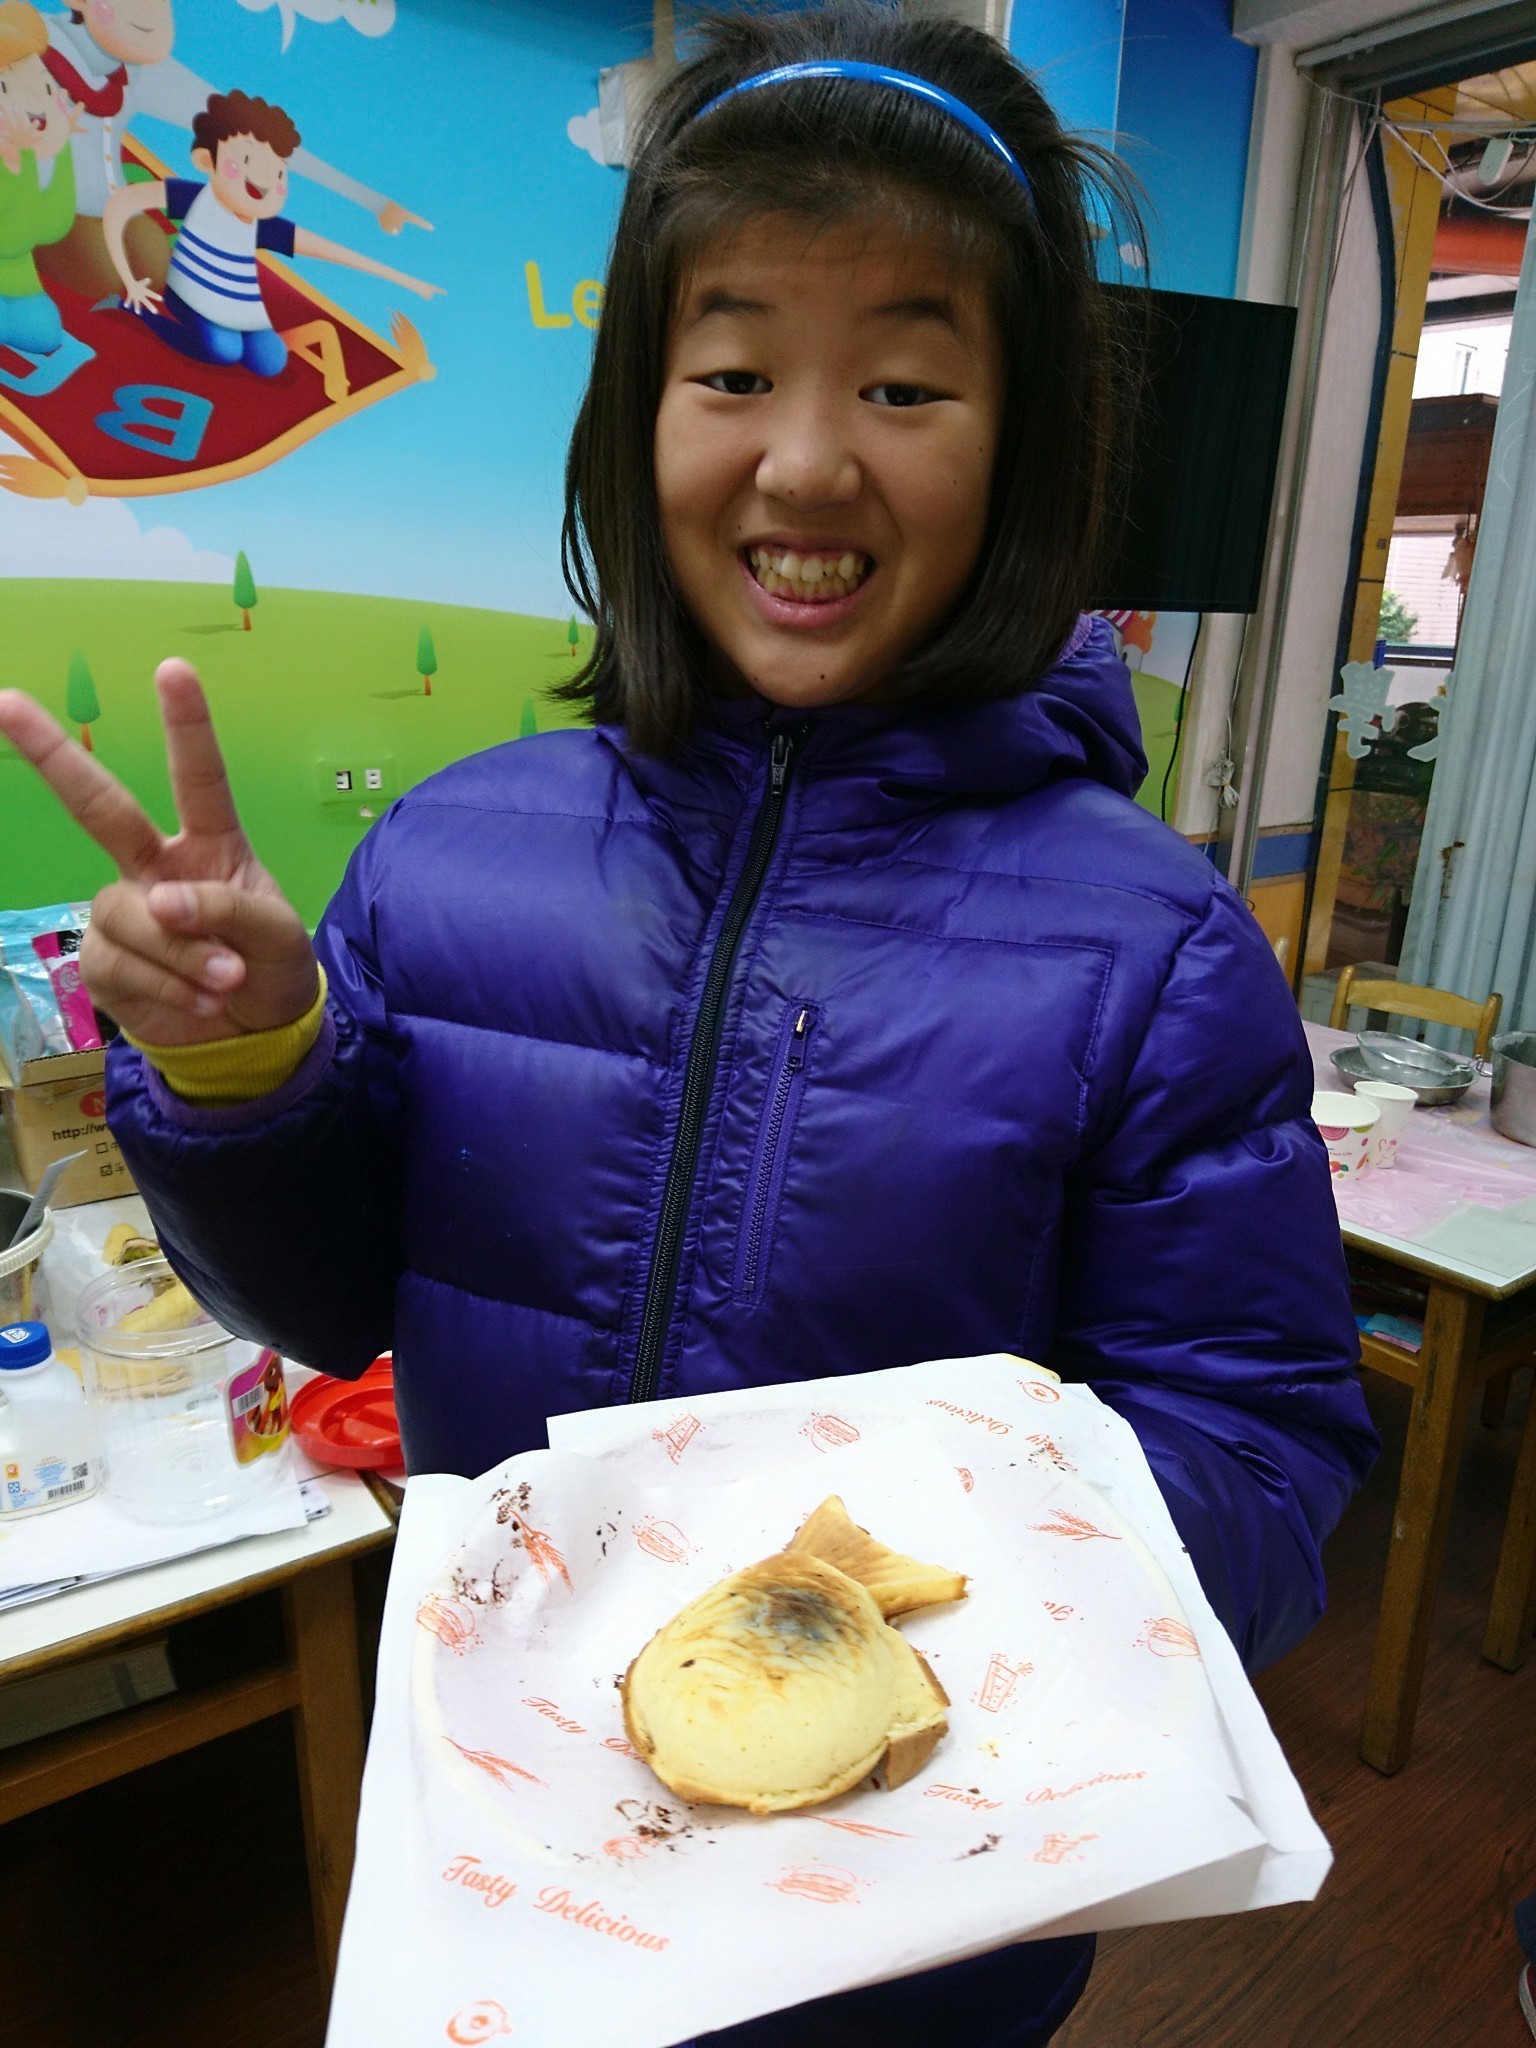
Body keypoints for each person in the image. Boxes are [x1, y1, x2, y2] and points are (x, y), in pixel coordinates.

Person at [0, 7, 1376, 2042]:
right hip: (522, 1856)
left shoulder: (1155, 946)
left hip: (914, 1918)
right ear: (633, 422)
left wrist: (919, 1626)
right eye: (732, 372)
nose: (806, 457)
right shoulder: (451, 854)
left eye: (904, 382)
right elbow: (324, 1302)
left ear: (1021, 452)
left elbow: (1258, 1438)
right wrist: (243, 1062)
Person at [37, 0, 428, 303]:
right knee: (104, 273)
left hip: (109, 207)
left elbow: (255, 136)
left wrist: (373, 202)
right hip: (48, 204)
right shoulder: (40, 39)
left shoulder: (137, 71)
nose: (151, 15)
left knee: (155, 266)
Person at [104, 88, 440, 377]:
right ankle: (135, 312)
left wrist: (409, 282)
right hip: (189, 297)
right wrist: (128, 279)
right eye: (246, 160)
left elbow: (334, 252)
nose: (265, 180)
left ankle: (234, 340)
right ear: (206, 160)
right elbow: (121, 204)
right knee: (223, 350)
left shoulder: (262, 227)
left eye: (279, 174)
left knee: (271, 362)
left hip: (239, 306)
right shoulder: (195, 198)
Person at [0, 0, 78, 355]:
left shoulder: (28, 158)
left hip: (17, 280)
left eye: (46, 89)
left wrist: (62, 151)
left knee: (44, 332)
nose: (35, 106)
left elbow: (51, 225)